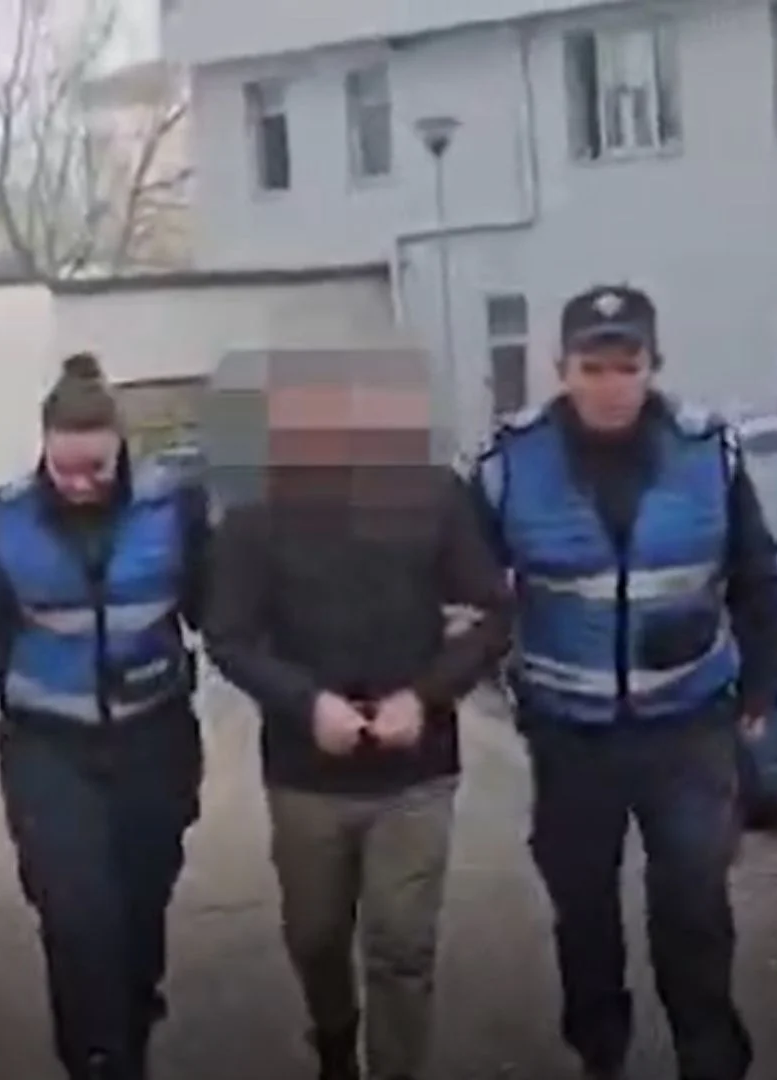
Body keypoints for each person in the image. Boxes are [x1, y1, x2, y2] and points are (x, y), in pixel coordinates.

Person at [462, 286, 777, 1080]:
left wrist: (762, 683)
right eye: (593, 367)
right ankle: (599, 1050)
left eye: (627, 366)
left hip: (687, 721)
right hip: (568, 730)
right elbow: (467, 589)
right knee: (582, 908)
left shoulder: (709, 452)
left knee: (694, 903)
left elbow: (757, 576)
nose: (611, 384)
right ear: (561, 369)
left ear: (653, 366)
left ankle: (709, 1057)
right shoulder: (510, 464)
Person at [205, 350, 515, 1080]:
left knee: (401, 945)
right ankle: (335, 1037)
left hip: (415, 771)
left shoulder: (433, 499)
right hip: (306, 773)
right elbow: (227, 637)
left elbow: (492, 614)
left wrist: (425, 696)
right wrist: (304, 702)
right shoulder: (252, 520)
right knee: (316, 937)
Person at [0, 352, 211, 1080]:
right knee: (76, 914)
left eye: (96, 468)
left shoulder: (172, 509)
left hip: (154, 739)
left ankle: (129, 1020)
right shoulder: (7, 519)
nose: (81, 483)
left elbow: (222, 610)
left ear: (121, 448)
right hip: (48, 748)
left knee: (140, 909)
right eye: (66, 470)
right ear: (44, 452)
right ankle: (97, 1060)